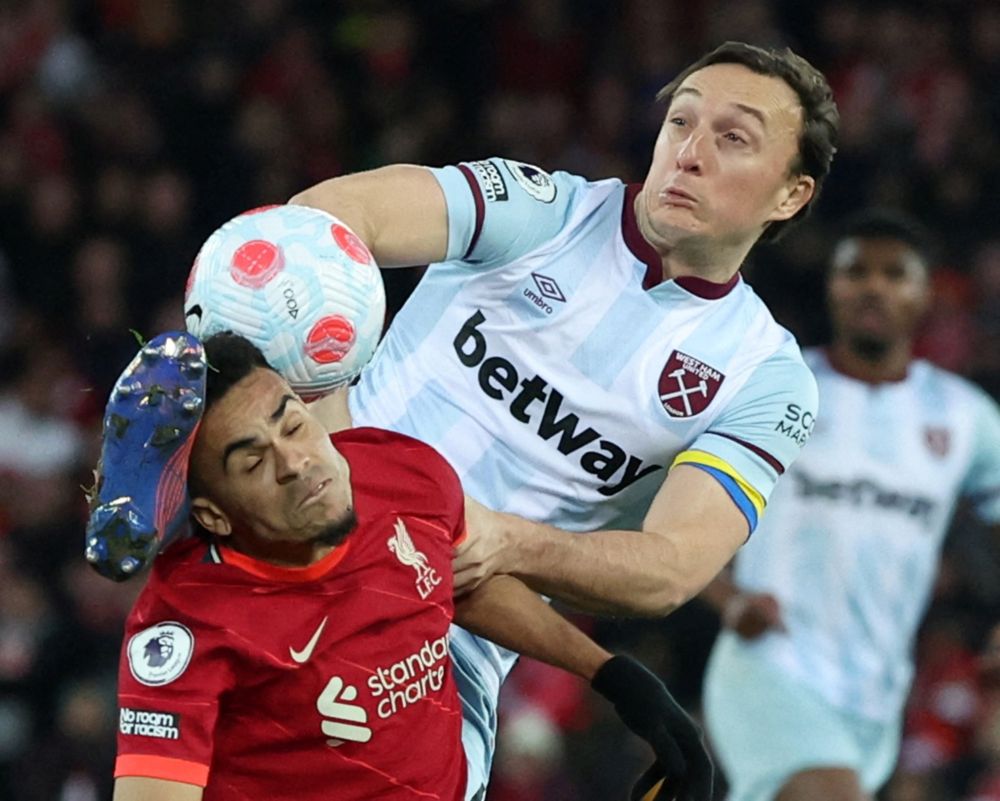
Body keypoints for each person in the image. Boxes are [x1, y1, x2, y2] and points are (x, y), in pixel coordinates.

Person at [286, 40, 840, 794]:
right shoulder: (540, 210)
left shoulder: (764, 378)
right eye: (681, 122)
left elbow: (670, 567)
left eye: (732, 137)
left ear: (791, 195)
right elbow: (325, 221)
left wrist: (509, 540)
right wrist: (325, 420)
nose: (689, 153)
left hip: (444, 651)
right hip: (293, 551)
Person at [92, 331, 711, 801]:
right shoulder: (183, 628)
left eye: (294, 424)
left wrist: (610, 674)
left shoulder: (403, 472)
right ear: (216, 517)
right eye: (253, 463)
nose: (297, 462)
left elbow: (456, 581)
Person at [699, 210, 1000, 801]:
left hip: (877, 694)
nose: (874, 287)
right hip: (771, 668)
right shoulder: (778, 386)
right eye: (855, 271)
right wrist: (725, 596)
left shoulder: (964, 416)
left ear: (926, 294)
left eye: (895, 274)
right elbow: (658, 495)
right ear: (830, 286)